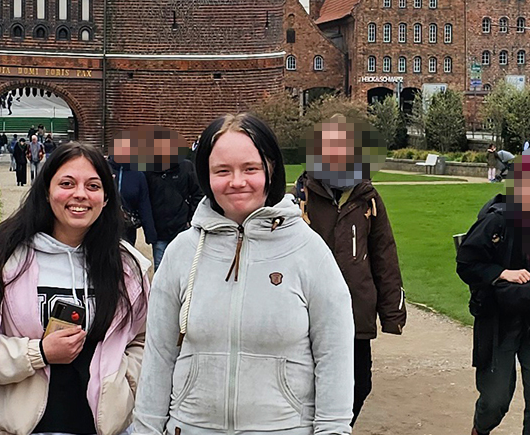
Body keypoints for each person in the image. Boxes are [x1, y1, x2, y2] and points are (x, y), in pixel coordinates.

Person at [133, 113, 355, 435]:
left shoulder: (309, 251)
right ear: (205, 176)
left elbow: (334, 357)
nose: (237, 181)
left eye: (250, 168)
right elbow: (159, 356)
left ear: (271, 169)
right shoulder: (182, 253)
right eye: (222, 171)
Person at [0, 141, 150, 435]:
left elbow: (146, 342)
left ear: (106, 197)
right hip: (26, 428)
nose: (80, 194)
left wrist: (126, 381)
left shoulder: (129, 267)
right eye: (67, 183)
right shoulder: (3, 260)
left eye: (93, 186)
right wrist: (38, 353)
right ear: (46, 190)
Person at [292, 116, 406, 425]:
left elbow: (384, 253)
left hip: (356, 309)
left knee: (360, 383)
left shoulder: (368, 197)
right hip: (308, 311)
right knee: (309, 383)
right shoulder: (300, 197)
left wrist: (392, 312)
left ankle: (338, 428)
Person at [457, 151, 530, 435]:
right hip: (500, 320)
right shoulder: (497, 220)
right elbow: (466, 263)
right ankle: (480, 429)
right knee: (495, 400)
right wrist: (501, 273)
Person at [143, 128, 202, 270]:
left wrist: (190, 219)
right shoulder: (149, 170)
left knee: (184, 269)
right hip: (160, 231)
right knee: (161, 271)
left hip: (182, 228)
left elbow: (197, 194)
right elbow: (145, 200)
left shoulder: (186, 167)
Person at [108, 132, 155, 247]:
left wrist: (150, 233)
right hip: (104, 225)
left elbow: (144, 205)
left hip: (127, 228)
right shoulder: (104, 168)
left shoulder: (138, 175)